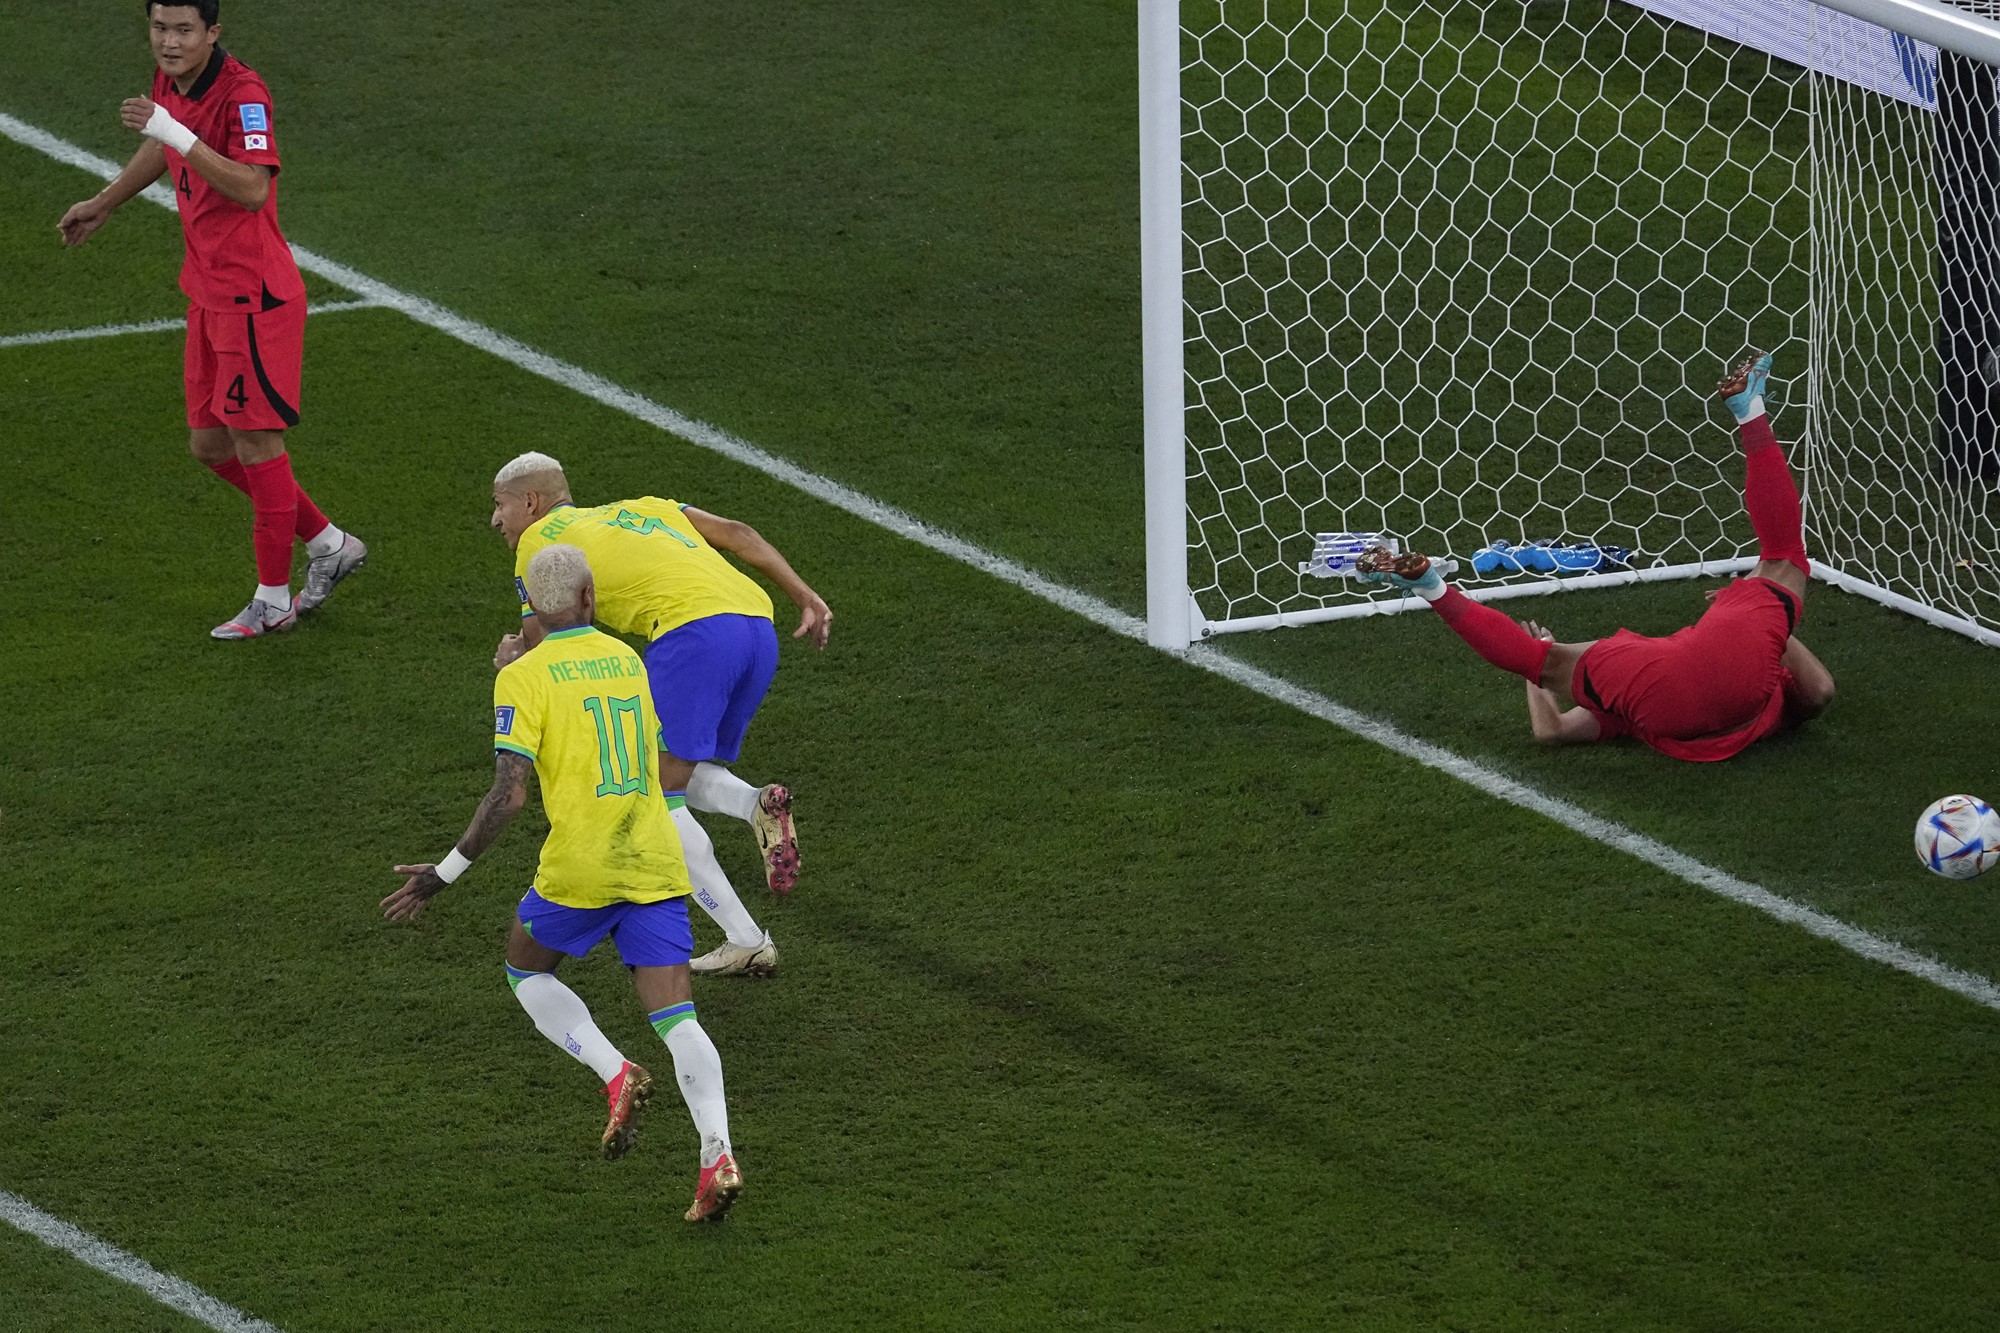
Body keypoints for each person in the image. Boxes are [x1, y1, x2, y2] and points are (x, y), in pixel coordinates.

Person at [382, 545, 744, 1223]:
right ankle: (716, 1154)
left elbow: (508, 797)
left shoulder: (522, 676)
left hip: (581, 865)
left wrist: (442, 873)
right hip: (652, 857)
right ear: (587, 598)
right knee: (678, 1017)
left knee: (527, 970)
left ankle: (615, 1073)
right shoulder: (629, 660)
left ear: (531, 605)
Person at [57, 0, 365, 640]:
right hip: (208, 293)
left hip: (254, 300)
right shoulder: (176, 79)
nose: (168, 42)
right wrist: (106, 201)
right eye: (159, 28)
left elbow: (253, 188)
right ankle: (330, 543)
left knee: (257, 445)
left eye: (183, 30)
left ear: (212, 32)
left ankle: (273, 598)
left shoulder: (243, 94)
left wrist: (175, 133)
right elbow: (165, 143)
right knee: (209, 446)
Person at [1358, 353, 1837, 761]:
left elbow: (1821, 693)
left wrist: (1767, 621)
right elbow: (1551, 730)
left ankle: (1749, 410)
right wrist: (1536, 669)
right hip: (1694, 687)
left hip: (1710, 671)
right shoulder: (1643, 713)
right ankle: (1431, 589)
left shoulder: (1661, 701)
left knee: (1782, 559)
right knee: (1540, 660)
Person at [489, 451, 831, 976]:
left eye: (500, 505)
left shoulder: (540, 542)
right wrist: (806, 596)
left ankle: (745, 939)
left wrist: (513, 656)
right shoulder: (647, 507)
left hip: (692, 634)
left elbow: (548, 645)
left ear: (530, 502)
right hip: (756, 625)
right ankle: (755, 803)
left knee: (649, 793)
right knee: (669, 765)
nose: (497, 520)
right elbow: (739, 533)